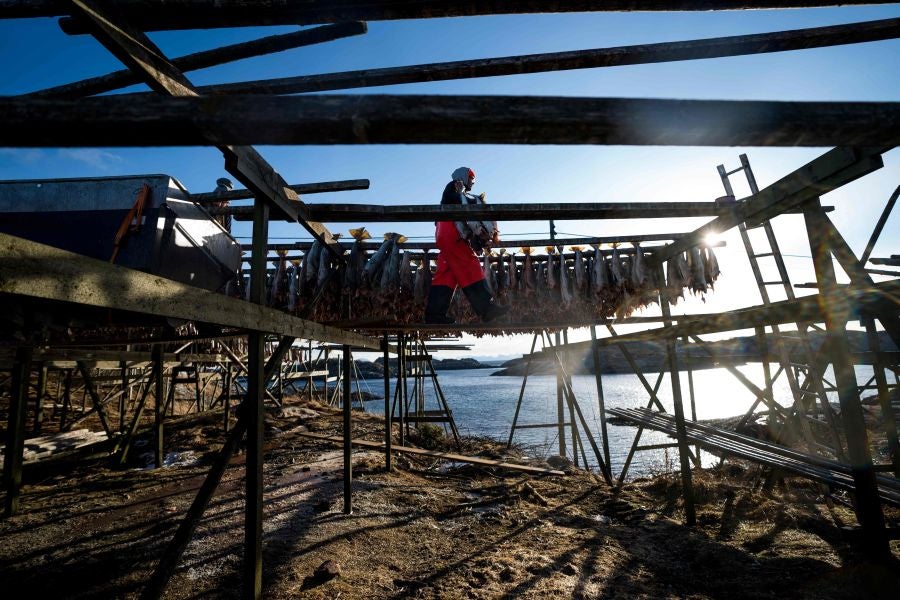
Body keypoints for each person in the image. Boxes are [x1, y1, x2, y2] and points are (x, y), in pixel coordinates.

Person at [424, 167, 509, 324]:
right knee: (471, 265)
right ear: (463, 176)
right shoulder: (455, 186)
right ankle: (486, 309)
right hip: (451, 233)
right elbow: (454, 201)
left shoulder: (457, 191)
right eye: (471, 177)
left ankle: (434, 314)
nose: (472, 181)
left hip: (443, 233)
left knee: (446, 275)